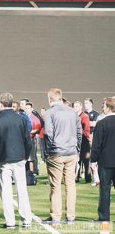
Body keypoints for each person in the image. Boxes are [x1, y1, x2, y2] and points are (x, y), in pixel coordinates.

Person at [0, 93, 33, 229]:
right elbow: (28, 141)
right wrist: (26, 156)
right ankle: (26, 218)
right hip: (19, 158)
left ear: (1, 104)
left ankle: (10, 221)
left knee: (6, 192)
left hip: (3, 160)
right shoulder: (21, 119)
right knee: (22, 189)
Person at [43, 88, 82, 225]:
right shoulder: (72, 112)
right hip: (71, 152)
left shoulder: (50, 113)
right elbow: (79, 133)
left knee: (55, 186)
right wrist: (77, 150)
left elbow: (48, 134)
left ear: (50, 99)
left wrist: (48, 152)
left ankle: (56, 216)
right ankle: (70, 216)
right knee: (70, 186)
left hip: (56, 153)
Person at [91, 96, 115, 222]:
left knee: (105, 190)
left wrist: (93, 160)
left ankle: (104, 217)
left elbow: (96, 145)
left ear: (108, 107)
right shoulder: (102, 122)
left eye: (103, 106)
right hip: (107, 160)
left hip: (106, 161)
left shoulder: (102, 123)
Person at [73, 101, 92, 183]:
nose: (75, 107)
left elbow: (86, 130)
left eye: (77, 106)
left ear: (81, 107)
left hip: (84, 141)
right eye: (74, 106)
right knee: (77, 160)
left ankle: (88, 178)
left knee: (86, 160)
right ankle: (76, 177)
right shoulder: (74, 116)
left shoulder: (84, 116)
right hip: (76, 141)